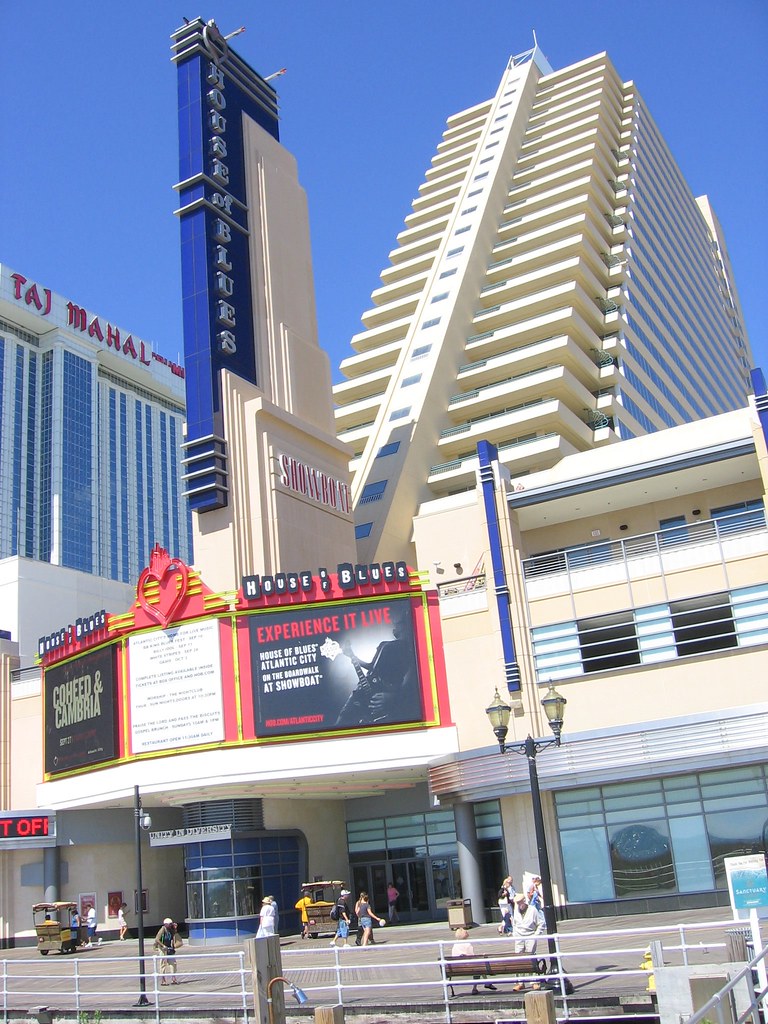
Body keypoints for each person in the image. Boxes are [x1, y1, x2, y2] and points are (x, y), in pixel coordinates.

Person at [335, 611, 421, 727]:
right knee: (342, 720)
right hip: (364, 691)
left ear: (405, 625)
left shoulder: (412, 648)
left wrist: (393, 696)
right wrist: (352, 656)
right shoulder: (384, 644)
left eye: (397, 624)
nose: (393, 626)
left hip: (385, 698)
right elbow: (372, 667)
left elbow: (411, 679)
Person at [511, 893, 544, 991]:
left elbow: (541, 923)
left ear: (524, 901)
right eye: (517, 903)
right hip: (519, 937)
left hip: (530, 935)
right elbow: (514, 924)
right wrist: (515, 934)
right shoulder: (516, 910)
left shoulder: (532, 910)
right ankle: (520, 982)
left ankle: (534, 981)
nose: (518, 904)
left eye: (520, 902)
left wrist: (535, 935)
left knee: (531, 957)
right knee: (519, 958)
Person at [451, 927, 497, 995]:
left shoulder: (455, 945)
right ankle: (475, 988)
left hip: (456, 968)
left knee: (479, 966)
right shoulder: (467, 944)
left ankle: (487, 983)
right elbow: (472, 957)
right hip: (467, 967)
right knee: (479, 966)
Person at [153, 918, 179, 984]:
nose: (171, 925)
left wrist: (175, 928)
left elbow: (174, 935)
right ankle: (163, 979)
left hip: (169, 947)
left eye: (171, 924)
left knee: (173, 963)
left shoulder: (171, 929)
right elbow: (157, 939)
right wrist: (163, 946)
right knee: (163, 963)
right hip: (162, 948)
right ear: (166, 924)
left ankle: (173, 977)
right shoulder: (162, 929)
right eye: (170, 924)